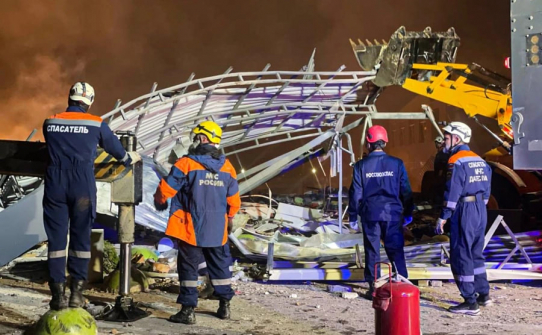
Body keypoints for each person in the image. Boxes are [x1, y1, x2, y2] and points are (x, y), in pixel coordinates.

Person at [43, 82, 141, 310]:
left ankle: (57, 295)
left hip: (55, 183)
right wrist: (129, 158)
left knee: (56, 240)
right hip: (82, 185)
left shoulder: (51, 121)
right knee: (80, 238)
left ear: (70, 97)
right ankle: (77, 293)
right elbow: (117, 151)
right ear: (90, 101)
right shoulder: (96, 123)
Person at [154, 120, 241, 324]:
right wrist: (228, 219)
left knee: (189, 268)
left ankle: (187, 311)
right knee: (220, 267)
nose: (193, 142)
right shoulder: (228, 168)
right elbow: (234, 202)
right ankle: (224, 306)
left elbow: (165, 190)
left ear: (202, 138)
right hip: (217, 229)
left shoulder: (186, 164)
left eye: (195, 138)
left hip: (190, 228)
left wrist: (159, 201)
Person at [348, 125, 413, 299]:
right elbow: (406, 190)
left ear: (368, 144)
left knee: (372, 250)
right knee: (396, 249)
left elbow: (356, 193)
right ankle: (401, 286)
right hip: (392, 214)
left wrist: (353, 216)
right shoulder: (397, 163)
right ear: (384, 142)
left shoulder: (361, 166)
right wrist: (408, 212)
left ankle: (374, 287)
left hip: (370, 214)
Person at [434, 122, 492, 316]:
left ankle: (470, 302)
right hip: (480, 210)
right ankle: (483, 294)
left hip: (464, 209)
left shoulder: (457, 160)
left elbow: (452, 192)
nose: (444, 140)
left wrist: (443, 217)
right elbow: (487, 191)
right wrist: (479, 208)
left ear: (456, 139)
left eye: (447, 136)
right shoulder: (479, 160)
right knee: (476, 253)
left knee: (461, 254)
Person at [433, 135, 450, 206]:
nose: (436, 145)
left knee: (440, 191)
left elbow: (441, 166)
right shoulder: (441, 153)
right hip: (441, 176)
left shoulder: (442, 154)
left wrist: (439, 176)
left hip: (442, 177)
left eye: (437, 143)